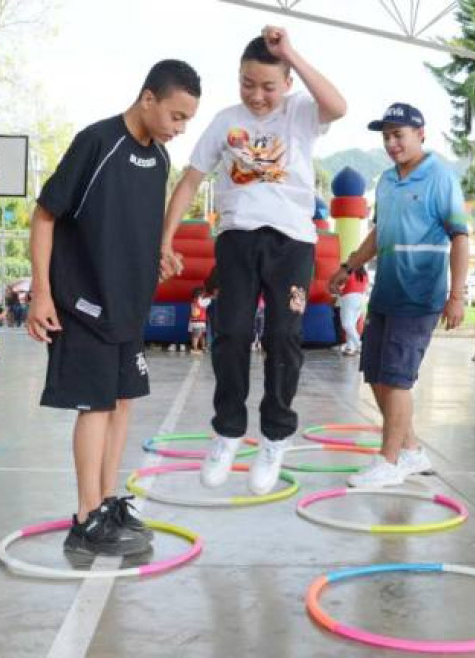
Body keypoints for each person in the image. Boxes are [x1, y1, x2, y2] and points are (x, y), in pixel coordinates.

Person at [162, 26, 346, 495]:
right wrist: (163, 239)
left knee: (285, 335)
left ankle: (275, 435)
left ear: (287, 83)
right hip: (238, 240)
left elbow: (339, 106)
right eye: (248, 83)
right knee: (231, 333)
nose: (258, 95)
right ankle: (227, 431)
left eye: (268, 86)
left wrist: (291, 53)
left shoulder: (303, 113)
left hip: (292, 243)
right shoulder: (226, 120)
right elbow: (190, 180)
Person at [27, 60, 200, 557]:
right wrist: (41, 291)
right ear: (148, 99)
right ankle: (85, 517)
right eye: (176, 115)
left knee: (123, 402)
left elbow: (131, 230)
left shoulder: (161, 161)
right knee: (97, 404)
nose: (179, 128)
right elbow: (44, 216)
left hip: (128, 308)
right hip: (81, 302)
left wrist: (159, 256)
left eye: (187, 119)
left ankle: (105, 502)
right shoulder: (97, 143)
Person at [329, 102, 469, 488]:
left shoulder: (440, 176)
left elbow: (460, 237)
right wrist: (348, 267)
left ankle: (388, 463)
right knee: (374, 373)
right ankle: (410, 451)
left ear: (420, 134)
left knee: (397, 378)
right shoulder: (387, 181)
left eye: (399, 135)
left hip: (420, 295)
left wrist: (456, 295)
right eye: (386, 136)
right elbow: (379, 232)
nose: (392, 143)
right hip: (385, 293)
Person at [339, 265, 368, 356]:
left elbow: (339, 284)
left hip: (349, 298)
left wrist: (340, 292)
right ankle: (350, 348)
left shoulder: (349, 272)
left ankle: (359, 344)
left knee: (346, 324)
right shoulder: (364, 274)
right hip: (361, 298)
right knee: (351, 325)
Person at [189, 286, 210, 354]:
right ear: (200, 294)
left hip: (198, 321)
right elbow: (206, 302)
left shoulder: (194, 300)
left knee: (200, 335)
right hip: (198, 321)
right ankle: (195, 348)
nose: (204, 294)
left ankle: (202, 347)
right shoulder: (199, 300)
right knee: (197, 335)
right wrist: (211, 297)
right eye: (203, 293)